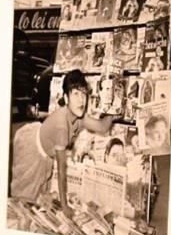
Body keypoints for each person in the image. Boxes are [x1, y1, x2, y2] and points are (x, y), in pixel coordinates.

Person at [10, 69, 113, 219]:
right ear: (66, 97)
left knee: (40, 202)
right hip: (32, 150)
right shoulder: (61, 126)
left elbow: (102, 127)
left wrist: (112, 108)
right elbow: (62, 171)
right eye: (75, 94)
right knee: (24, 203)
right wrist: (65, 207)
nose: (81, 100)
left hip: (46, 149)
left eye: (83, 94)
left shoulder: (79, 116)